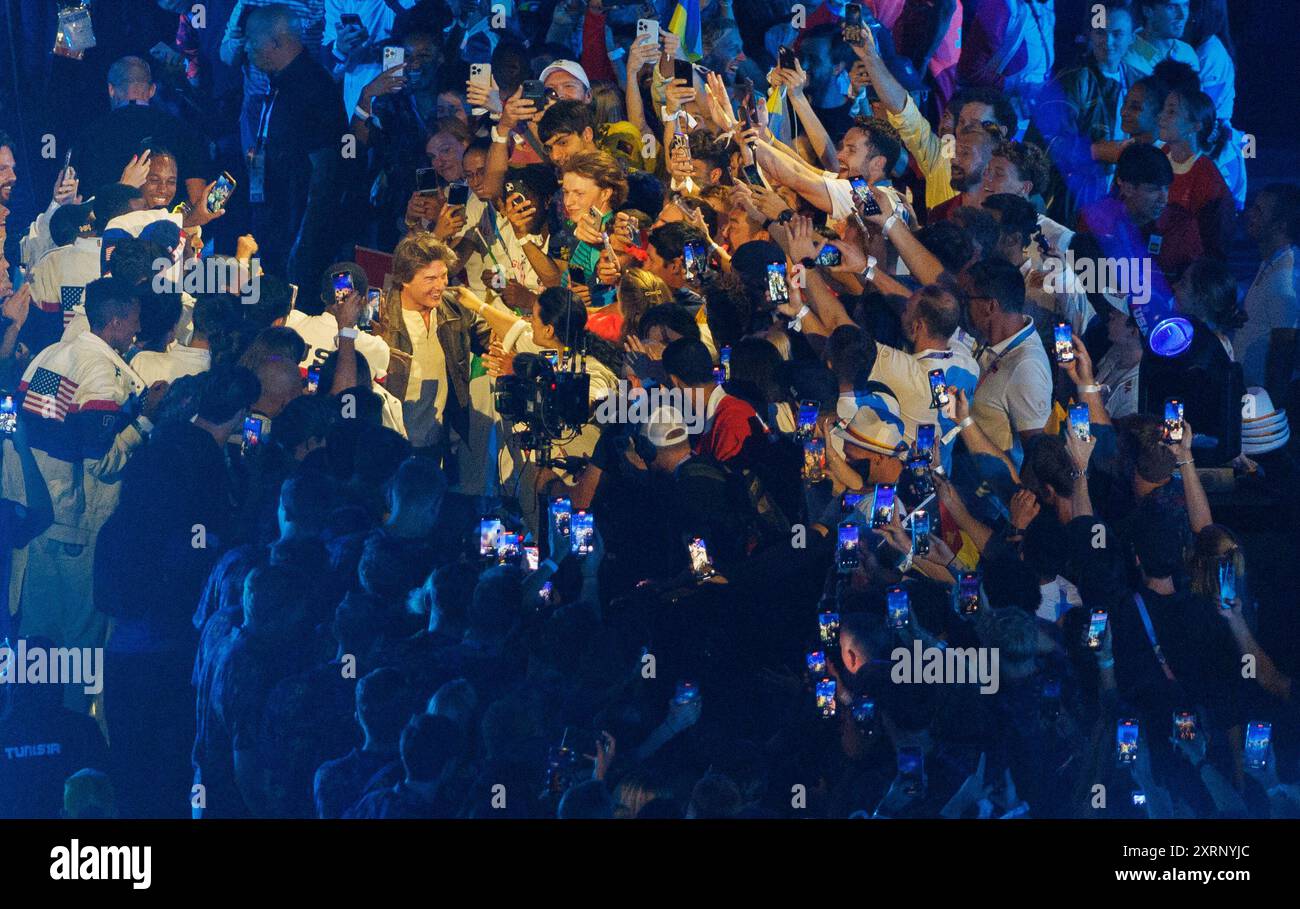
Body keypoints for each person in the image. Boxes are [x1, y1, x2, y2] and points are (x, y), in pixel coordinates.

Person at [3, 278, 165, 710]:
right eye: (132, 320)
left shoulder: (50, 355)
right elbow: (101, 459)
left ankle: (26, 729)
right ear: (114, 321)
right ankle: (77, 745)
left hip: (37, 524)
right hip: (77, 530)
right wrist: (145, 422)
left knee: (36, 646)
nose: (136, 329)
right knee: (80, 649)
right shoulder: (101, 370)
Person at [242, 4, 351, 289]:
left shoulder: (314, 87)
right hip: (275, 217)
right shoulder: (279, 82)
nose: (247, 48)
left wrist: (305, 237)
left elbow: (325, 167)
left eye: (252, 40)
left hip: (298, 223)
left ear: (275, 42)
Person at [961, 258, 1051, 464]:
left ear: (990, 306)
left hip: (995, 492)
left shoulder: (1027, 367)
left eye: (968, 298)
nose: (964, 305)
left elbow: (1036, 456)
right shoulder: (993, 339)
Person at [1233, 184, 1300, 394]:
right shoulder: (1270, 262)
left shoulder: (1285, 280)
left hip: (1262, 407)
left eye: (1259, 211)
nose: (1250, 214)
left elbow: (1283, 354)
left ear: (1281, 225)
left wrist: (1272, 416)